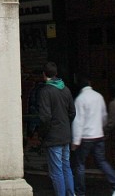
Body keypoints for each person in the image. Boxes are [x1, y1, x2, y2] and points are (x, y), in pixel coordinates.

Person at [71, 76, 115, 196]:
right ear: (90, 83)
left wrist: (75, 140)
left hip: (85, 137)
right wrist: (103, 130)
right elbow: (104, 116)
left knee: (79, 165)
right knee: (102, 161)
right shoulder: (99, 96)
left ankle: (80, 193)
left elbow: (78, 121)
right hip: (98, 135)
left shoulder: (80, 99)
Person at [38, 62, 76, 196]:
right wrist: (64, 124)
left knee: (56, 171)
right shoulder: (65, 89)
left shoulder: (45, 91)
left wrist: (42, 133)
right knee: (66, 167)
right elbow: (72, 112)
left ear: (44, 75)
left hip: (53, 137)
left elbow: (45, 117)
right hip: (65, 135)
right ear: (56, 74)